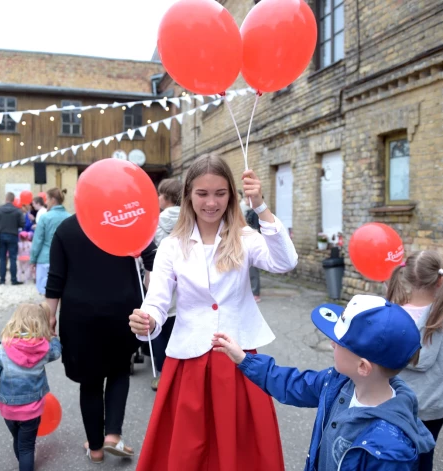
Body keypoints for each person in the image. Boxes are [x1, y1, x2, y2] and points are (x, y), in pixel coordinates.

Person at [129, 154, 298, 470]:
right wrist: (146, 321)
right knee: (187, 450)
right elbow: (157, 302)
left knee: (242, 448)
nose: (211, 202)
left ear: (232, 195)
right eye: (202, 193)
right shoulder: (172, 245)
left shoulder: (245, 238)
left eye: (220, 193)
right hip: (189, 360)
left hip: (240, 358)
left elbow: (286, 262)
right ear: (188, 195)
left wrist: (260, 206)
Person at [213, 294, 435, 471]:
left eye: (339, 342)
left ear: (363, 367)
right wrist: (244, 359)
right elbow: (294, 384)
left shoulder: (390, 450)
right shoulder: (338, 382)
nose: (331, 343)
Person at [46, 215, 156, 464]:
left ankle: (95, 448)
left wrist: (50, 315)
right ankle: (112, 435)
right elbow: (151, 254)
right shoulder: (126, 221)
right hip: (122, 309)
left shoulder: (67, 227)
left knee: (90, 380)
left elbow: (56, 278)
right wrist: (150, 286)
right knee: (119, 370)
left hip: (79, 313)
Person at [386, 251, 443, 471]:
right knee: (425, 451)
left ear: (405, 277)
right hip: (435, 404)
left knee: (396, 450)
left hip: (398, 401)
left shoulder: (392, 314)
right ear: (440, 281)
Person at [0, 302, 61, 471]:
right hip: (32, 411)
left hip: (8, 409)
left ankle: (23, 464)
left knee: (18, 440)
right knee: (27, 446)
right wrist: (52, 336)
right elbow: (57, 351)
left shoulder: (2, 350)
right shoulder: (44, 348)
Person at [149, 178, 182, 392]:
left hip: (161, 274)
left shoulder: (155, 221)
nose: (158, 198)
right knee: (180, 322)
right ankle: (181, 368)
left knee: (158, 322)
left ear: (167, 197)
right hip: (186, 276)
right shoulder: (192, 218)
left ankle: (162, 372)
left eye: (160, 194)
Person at [29, 188, 69, 296]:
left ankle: (48, 313)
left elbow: (38, 241)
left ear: (53, 200)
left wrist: (33, 259)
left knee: (47, 295)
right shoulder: (69, 217)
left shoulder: (45, 218)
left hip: (45, 258)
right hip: (65, 260)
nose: (45, 202)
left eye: (47, 199)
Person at [0, 193, 25, 286]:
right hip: (13, 236)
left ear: (6, 198)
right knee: (13, 258)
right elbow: (22, 224)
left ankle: (2, 280)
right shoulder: (17, 211)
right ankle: (14, 280)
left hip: (1, 236)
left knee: (2, 258)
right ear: (13, 199)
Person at [244, 194, 262, 303]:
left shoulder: (255, 213)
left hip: (252, 244)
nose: (245, 200)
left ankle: (256, 293)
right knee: (249, 271)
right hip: (247, 242)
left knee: (253, 271)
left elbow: (256, 228)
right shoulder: (248, 212)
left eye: (247, 198)